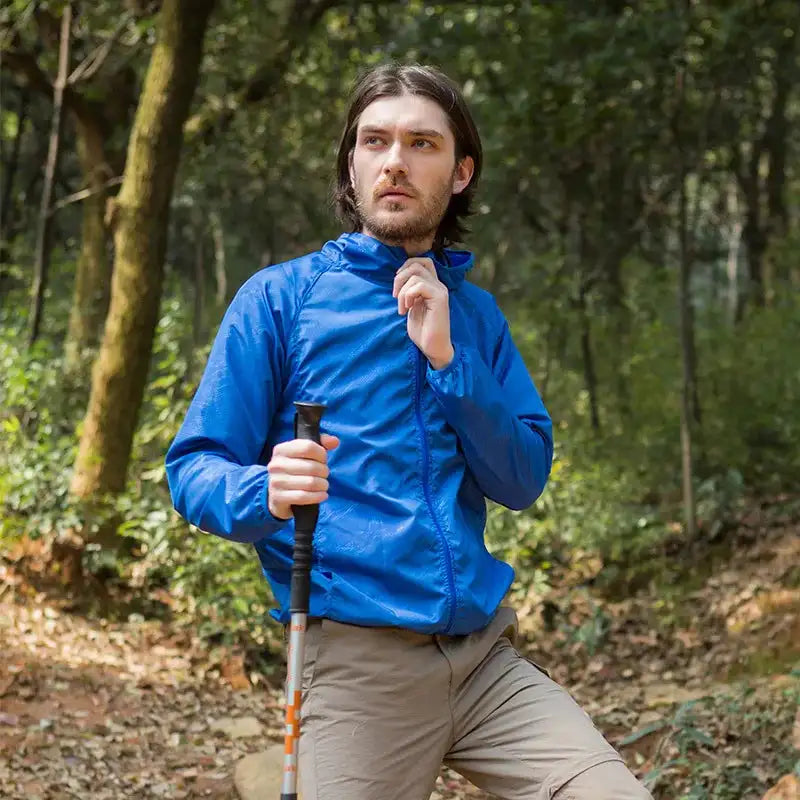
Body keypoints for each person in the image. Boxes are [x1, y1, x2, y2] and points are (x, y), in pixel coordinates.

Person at [165, 63, 652, 800]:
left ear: (460, 173)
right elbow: (194, 467)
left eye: (422, 143)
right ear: (352, 164)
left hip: (484, 662)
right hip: (358, 669)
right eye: (375, 141)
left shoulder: (475, 315)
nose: (395, 161)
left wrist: (451, 360)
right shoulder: (280, 300)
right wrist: (264, 489)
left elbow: (522, 477)